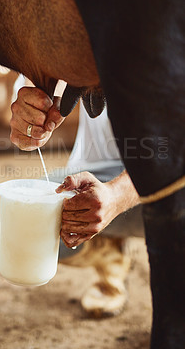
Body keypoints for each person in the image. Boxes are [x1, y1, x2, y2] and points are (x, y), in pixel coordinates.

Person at [9, 85, 144, 318]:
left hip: (171, 179)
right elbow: (29, 85)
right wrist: (27, 114)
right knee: (17, 229)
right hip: (96, 170)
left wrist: (116, 197)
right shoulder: (72, 47)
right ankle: (111, 255)